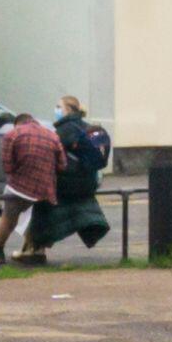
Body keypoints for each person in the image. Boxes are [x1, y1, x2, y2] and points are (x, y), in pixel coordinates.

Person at [0, 107, 62, 263]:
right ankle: (37, 252)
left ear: (17, 123)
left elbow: (7, 166)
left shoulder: (12, 134)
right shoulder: (52, 136)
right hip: (46, 189)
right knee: (36, 219)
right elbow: (62, 164)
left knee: (8, 218)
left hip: (20, 187)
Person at [48, 95, 115, 257]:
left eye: (59, 107)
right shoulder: (86, 126)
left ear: (68, 110)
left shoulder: (65, 129)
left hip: (69, 183)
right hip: (89, 180)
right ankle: (92, 229)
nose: (56, 110)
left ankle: (35, 248)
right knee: (80, 208)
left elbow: (51, 153)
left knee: (42, 206)